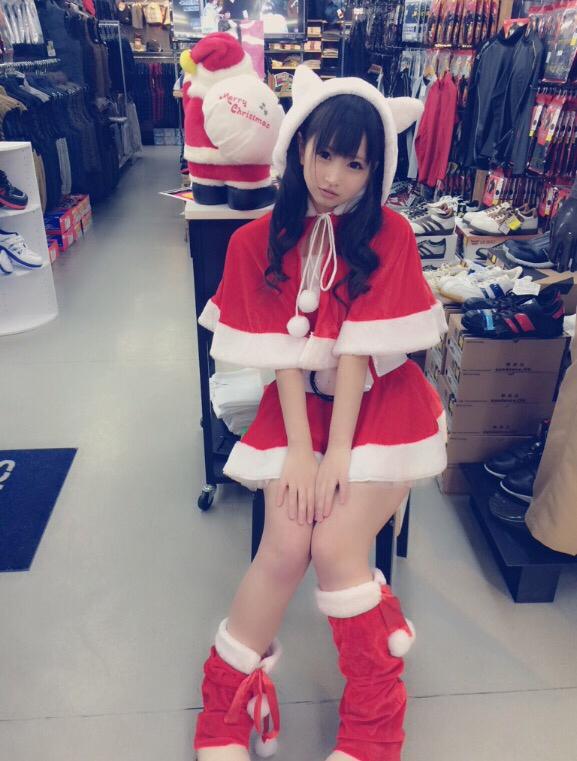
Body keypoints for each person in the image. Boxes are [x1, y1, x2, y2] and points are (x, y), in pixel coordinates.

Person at [194, 65, 448, 761]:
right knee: (284, 546)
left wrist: (335, 456)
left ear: (376, 169)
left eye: (355, 163)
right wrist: (303, 454)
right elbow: (281, 356)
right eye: (324, 153)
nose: (334, 176)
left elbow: (360, 353)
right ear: (298, 145)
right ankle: (221, 711)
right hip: (298, 409)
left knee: (334, 546)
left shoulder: (390, 234)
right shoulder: (256, 241)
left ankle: (375, 729)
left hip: (382, 409)